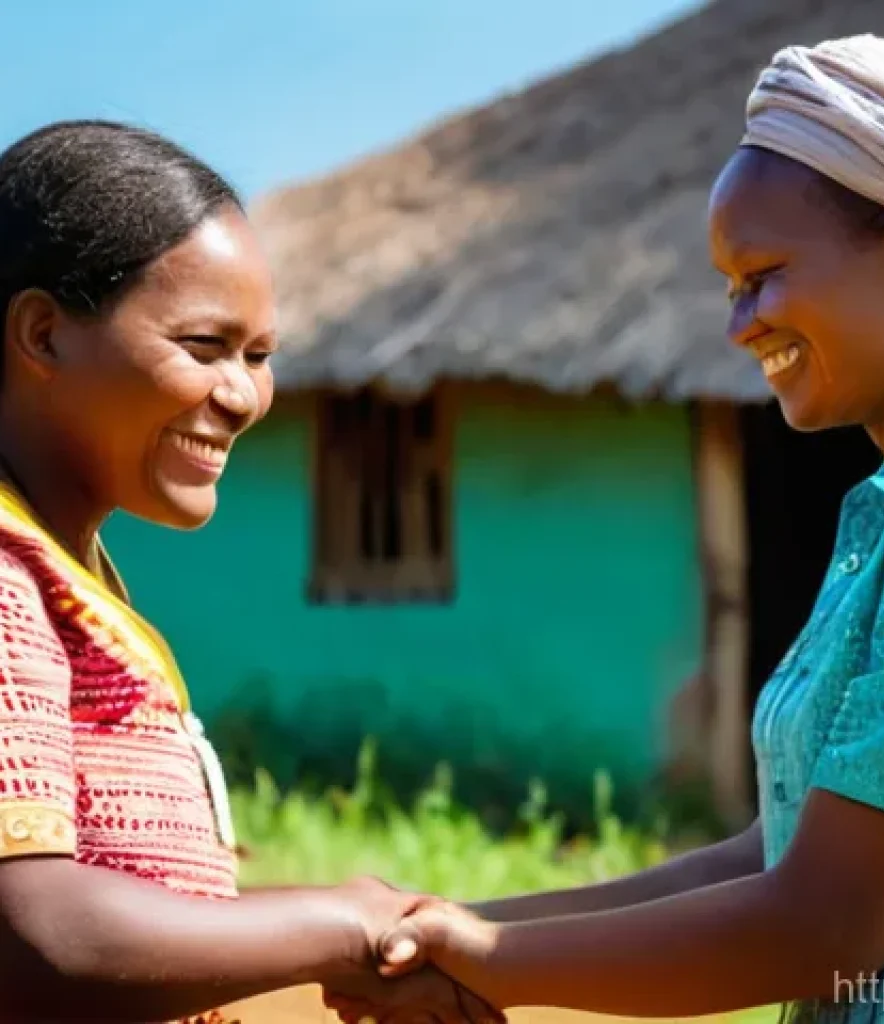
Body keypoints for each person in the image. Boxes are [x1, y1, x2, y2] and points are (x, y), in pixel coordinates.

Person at [356, 34, 884, 1023]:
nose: (738, 323)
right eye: (728, 286)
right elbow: (783, 849)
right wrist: (473, 925)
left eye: (761, 274)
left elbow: (822, 925)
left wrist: (495, 961)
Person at [0, 119, 500, 1024]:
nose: (242, 397)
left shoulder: (69, 572)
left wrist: (355, 918)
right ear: (42, 334)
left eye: (260, 357)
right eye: (203, 346)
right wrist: (342, 927)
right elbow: (33, 934)